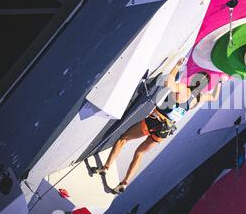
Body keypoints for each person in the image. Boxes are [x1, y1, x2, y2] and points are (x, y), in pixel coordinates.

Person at [93, 58, 227, 193]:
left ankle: (105, 167)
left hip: (154, 120)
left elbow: (169, 83)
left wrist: (177, 66)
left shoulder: (182, 88)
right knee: (139, 153)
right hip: (164, 131)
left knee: (124, 138)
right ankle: (124, 183)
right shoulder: (197, 99)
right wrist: (220, 82)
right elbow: (214, 97)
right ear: (202, 87)